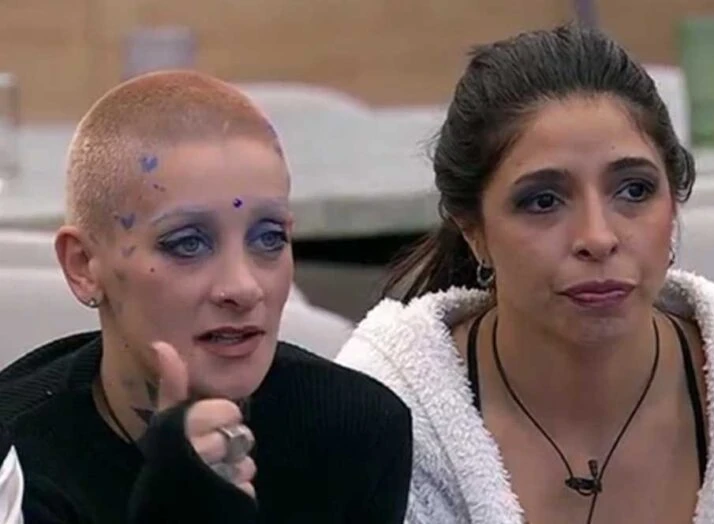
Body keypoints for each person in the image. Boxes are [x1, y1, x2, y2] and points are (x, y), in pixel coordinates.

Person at [337, 25, 714, 524]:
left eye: (634, 190)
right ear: (474, 232)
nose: (598, 237)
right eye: (543, 201)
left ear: (674, 203)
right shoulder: (378, 424)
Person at [0, 70, 412, 523]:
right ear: (83, 266)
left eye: (270, 238)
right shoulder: (17, 462)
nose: (243, 287)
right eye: (188, 244)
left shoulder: (357, 428)